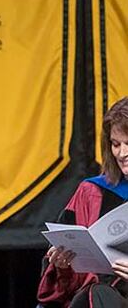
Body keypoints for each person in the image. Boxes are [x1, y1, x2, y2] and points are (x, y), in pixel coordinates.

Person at [38, 97, 128, 307]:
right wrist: (63, 267)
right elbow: (66, 287)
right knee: (98, 295)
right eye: (116, 144)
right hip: (100, 298)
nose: (122, 153)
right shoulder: (92, 193)